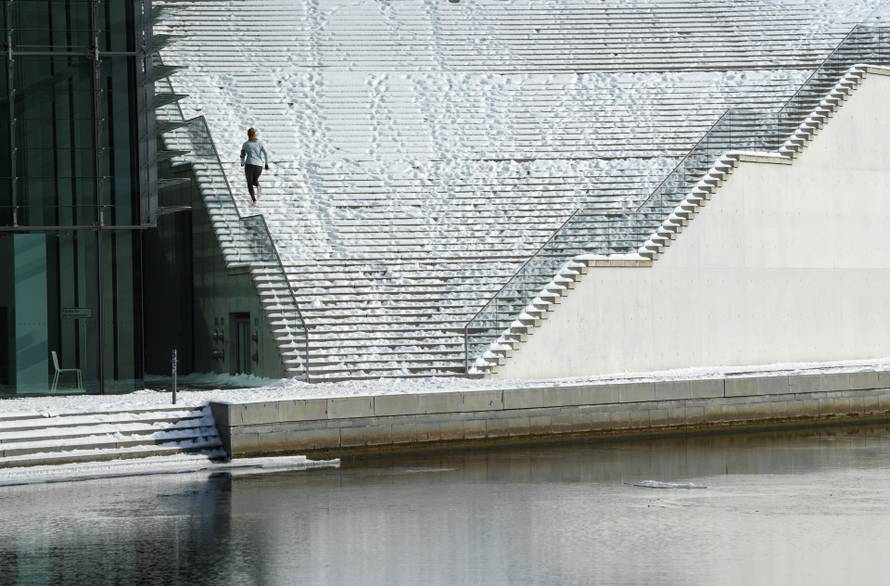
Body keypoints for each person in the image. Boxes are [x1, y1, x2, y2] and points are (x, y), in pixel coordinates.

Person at [240, 128, 269, 204]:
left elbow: (242, 155)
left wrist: (242, 163)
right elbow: (265, 154)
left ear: (248, 134)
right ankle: (258, 186)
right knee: (254, 181)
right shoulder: (260, 143)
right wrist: (266, 164)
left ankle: (254, 200)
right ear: (255, 134)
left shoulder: (245, 144)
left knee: (250, 183)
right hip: (259, 165)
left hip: (249, 164)